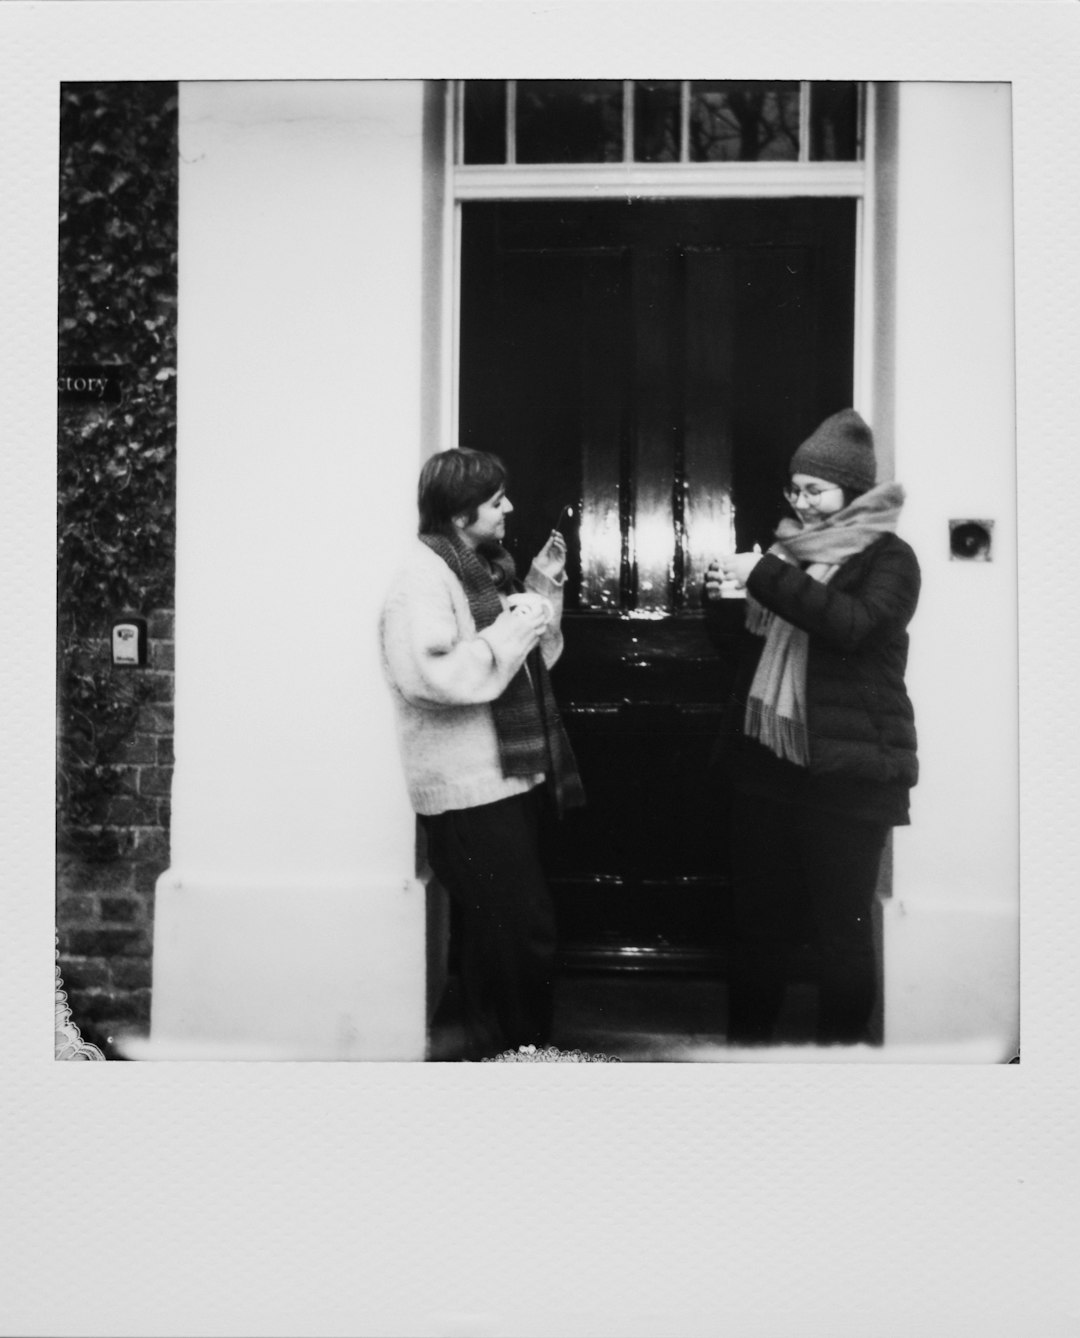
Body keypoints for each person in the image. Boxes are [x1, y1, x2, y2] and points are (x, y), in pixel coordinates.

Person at [706, 409, 920, 1046]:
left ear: (852, 492)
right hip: (768, 769)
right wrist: (724, 602)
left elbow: (852, 627)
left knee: (841, 937)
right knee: (757, 933)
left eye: (815, 490)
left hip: (849, 776)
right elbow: (741, 659)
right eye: (793, 489)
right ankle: (743, 1058)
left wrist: (765, 578)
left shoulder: (891, 558)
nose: (801, 503)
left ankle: (842, 1076)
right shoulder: (783, 553)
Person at [379, 448, 584, 1060]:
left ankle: (502, 1064)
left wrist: (542, 590)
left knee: (505, 935)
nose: (509, 509)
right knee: (519, 935)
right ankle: (517, 1069)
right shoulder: (423, 577)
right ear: (464, 511)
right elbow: (432, 676)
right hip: (468, 788)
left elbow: (530, 667)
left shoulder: (481, 568)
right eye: (497, 500)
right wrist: (513, 629)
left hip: (503, 780)